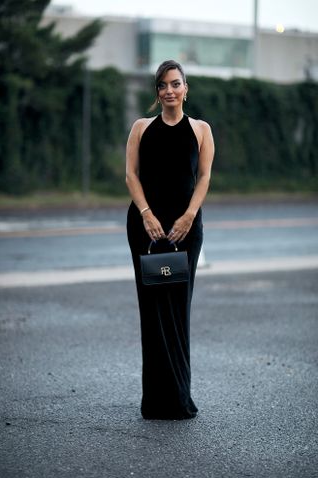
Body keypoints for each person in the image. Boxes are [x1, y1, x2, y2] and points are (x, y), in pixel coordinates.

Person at [126, 59, 215, 420]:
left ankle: (179, 398)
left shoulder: (201, 130)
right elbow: (131, 175)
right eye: (162, 85)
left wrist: (188, 216)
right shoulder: (141, 128)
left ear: (185, 89)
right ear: (156, 92)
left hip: (185, 231)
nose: (169, 91)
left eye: (175, 84)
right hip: (146, 231)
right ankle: (155, 402)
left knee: (178, 311)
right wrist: (147, 214)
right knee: (152, 311)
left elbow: (205, 176)